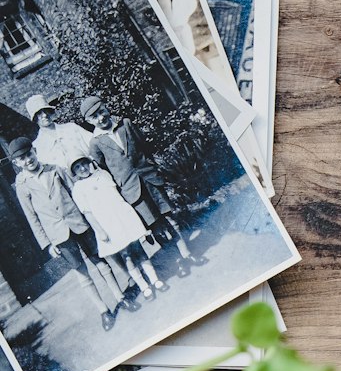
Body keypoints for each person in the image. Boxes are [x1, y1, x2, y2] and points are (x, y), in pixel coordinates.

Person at [9, 137, 126, 331]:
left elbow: (75, 193)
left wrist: (91, 219)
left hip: (79, 223)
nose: (28, 159)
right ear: (16, 163)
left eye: (29, 154)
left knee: (100, 260)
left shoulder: (55, 169)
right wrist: (47, 244)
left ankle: (120, 296)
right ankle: (103, 310)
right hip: (58, 235)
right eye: (22, 158)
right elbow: (32, 217)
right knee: (81, 272)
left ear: (34, 151)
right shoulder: (22, 186)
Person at [80, 95, 203, 270]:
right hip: (132, 191)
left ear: (106, 108)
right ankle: (177, 261)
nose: (101, 118)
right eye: (95, 117)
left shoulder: (126, 125)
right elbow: (103, 169)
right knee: (156, 227)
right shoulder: (96, 143)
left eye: (101, 111)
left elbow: (144, 147)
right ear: (89, 121)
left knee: (170, 219)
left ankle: (187, 254)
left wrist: (152, 168)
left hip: (150, 181)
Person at [67, 155, 166, 303]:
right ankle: (144, 286)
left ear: (89, 163)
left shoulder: (103, 174)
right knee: (126, 255)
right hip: (108, 224)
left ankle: (154, 279)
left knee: (138, 249)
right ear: (74, 172)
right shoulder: (78, 189)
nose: (82, 168)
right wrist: (99, 230)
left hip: (123, 216)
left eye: (84, 164)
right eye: (77, 167)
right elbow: (88, 213)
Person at [23, 94, 94, 172]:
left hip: (91, 172)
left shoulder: (71, 128)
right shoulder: (38, 146)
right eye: (39, 113)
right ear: (35, 118)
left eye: (46, 110)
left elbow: (93, 143)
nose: (44, 115)